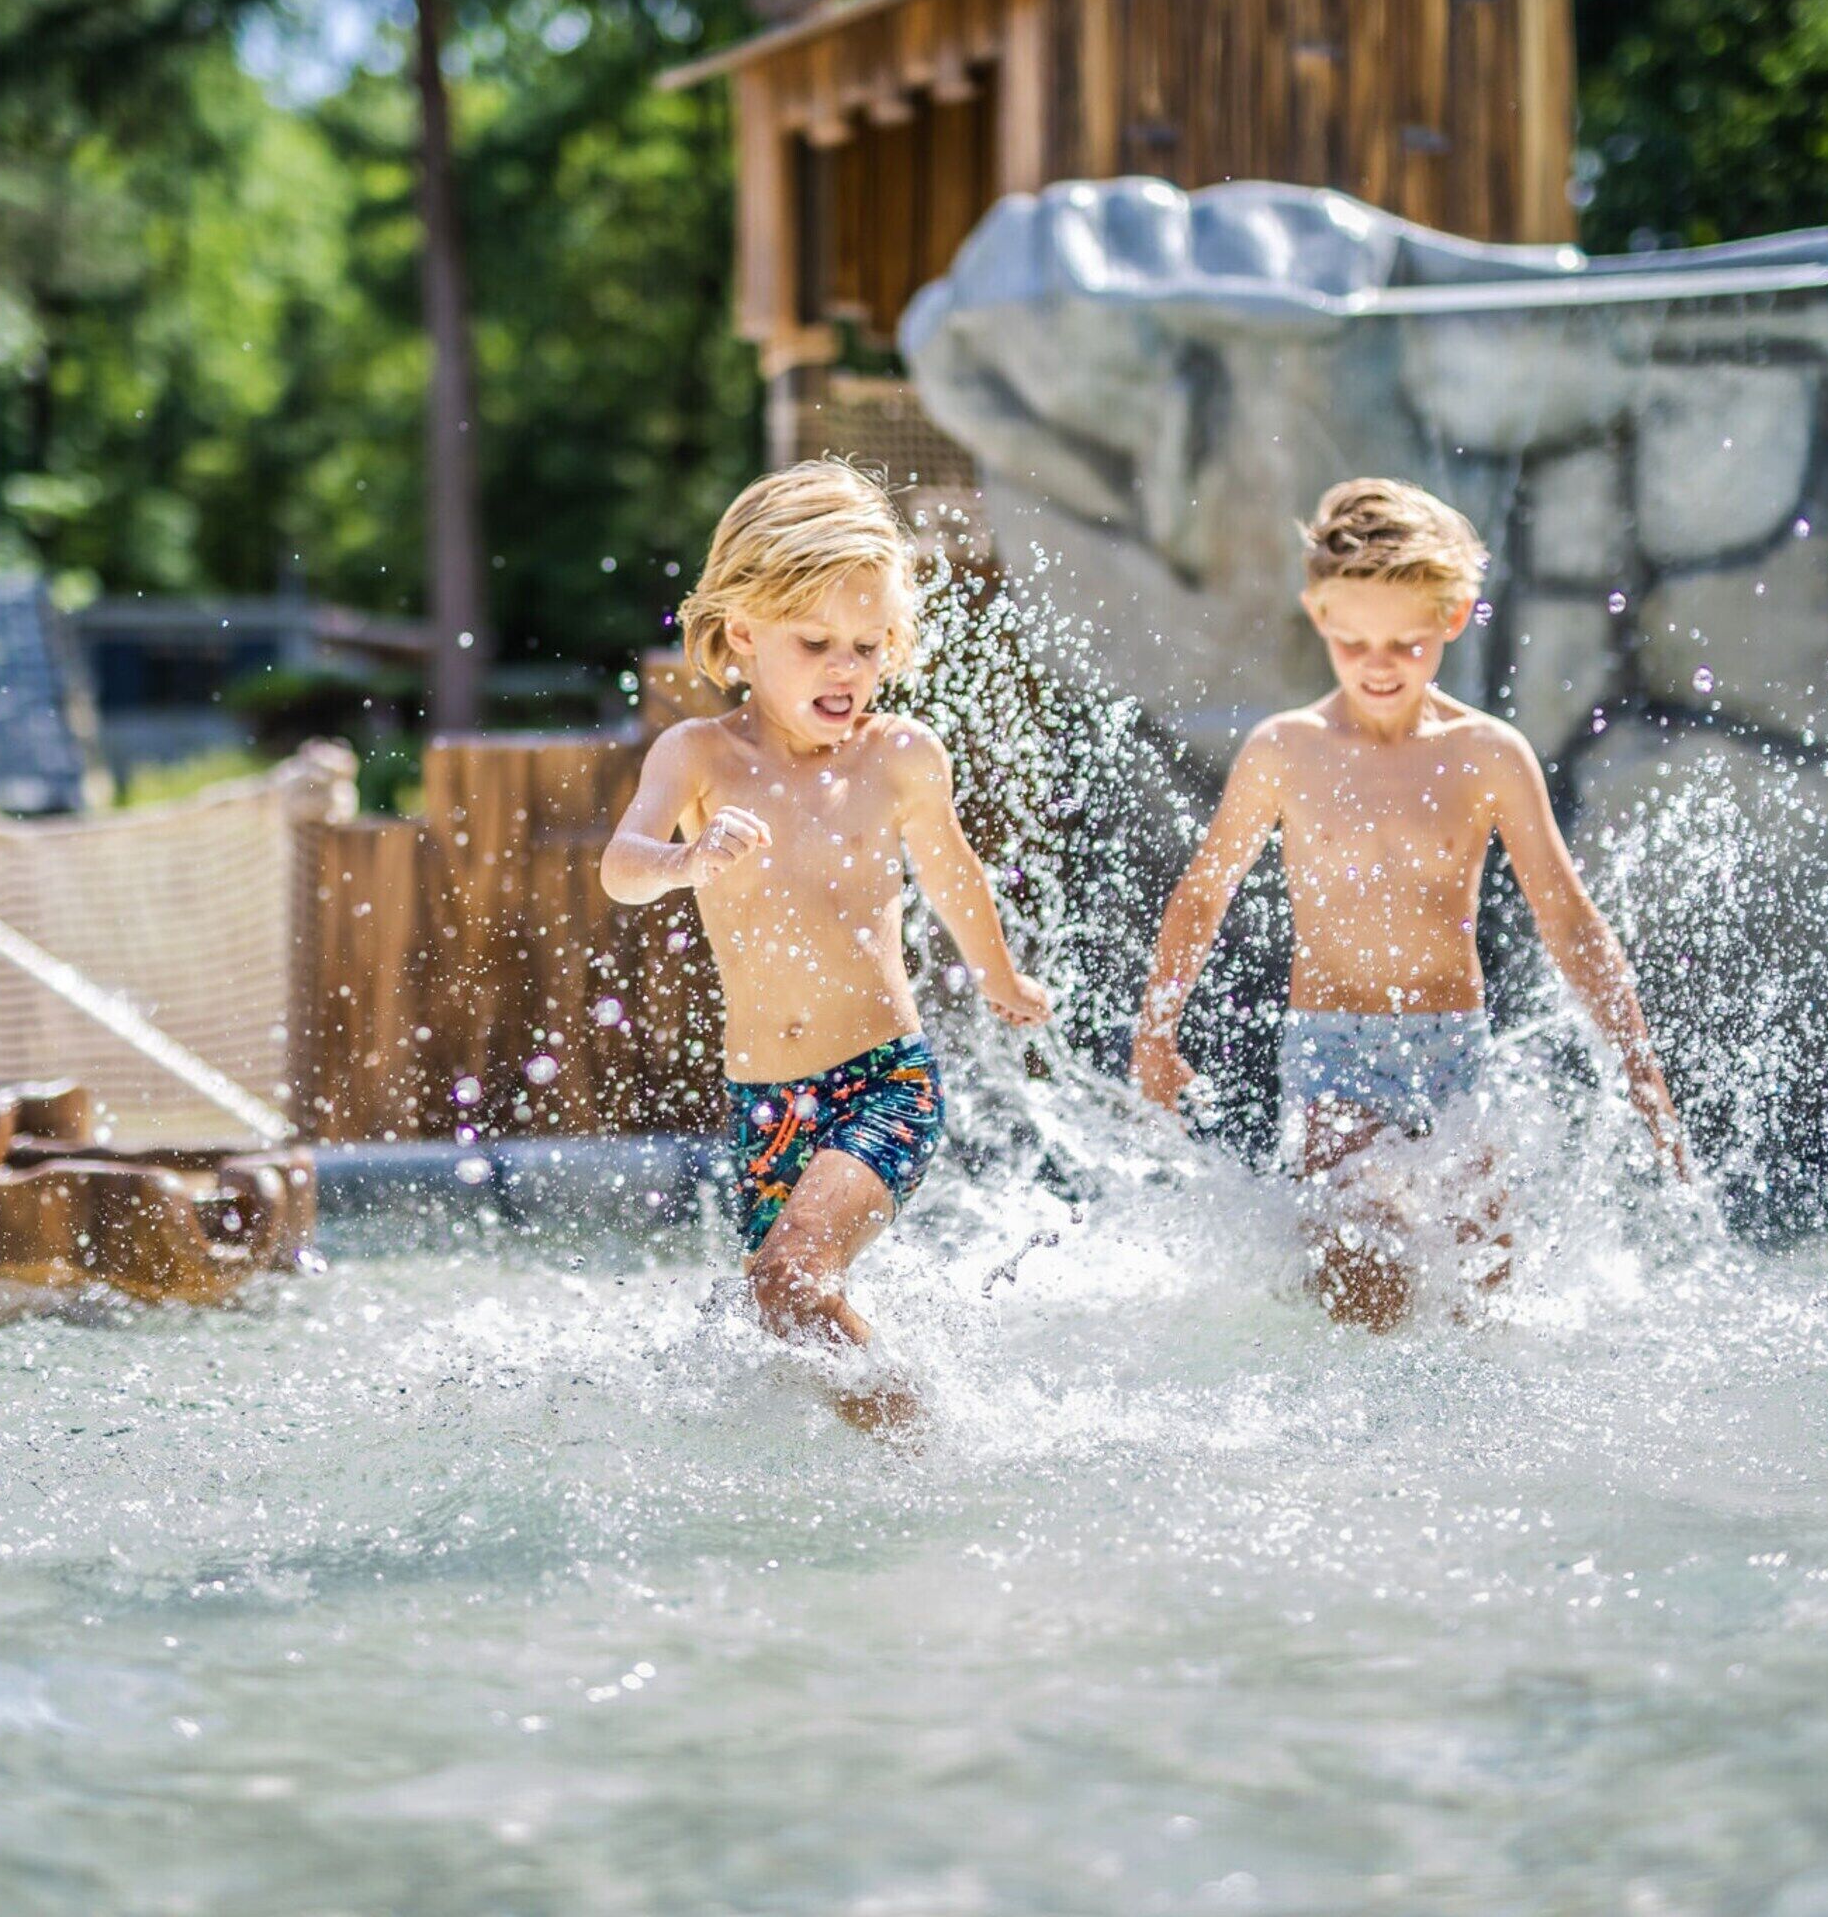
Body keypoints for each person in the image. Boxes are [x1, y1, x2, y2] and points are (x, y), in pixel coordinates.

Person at [1131, 477, 1688, 1325]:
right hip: (1332, 1050)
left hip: (1454, 1049)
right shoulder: (1287, 750)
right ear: (1319, 615)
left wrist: (1638, 1064)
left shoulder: (1488, 754)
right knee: (1362, 1281)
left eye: (1404, 644)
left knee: (1490, 1295)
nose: (1378, 665)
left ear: (1452, 620)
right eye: (1354, 643)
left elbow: (1568, 917)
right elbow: (1202, 896)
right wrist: (1156, 1032)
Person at [601, 460, 1051, 1417]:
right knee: (788, 1307)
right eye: (818, 643)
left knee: (794, 1276)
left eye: (868, 642)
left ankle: (953, 1445)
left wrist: (1000, 977)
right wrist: (683, 863)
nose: (848, 667)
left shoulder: (900, 758)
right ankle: (910, 1468)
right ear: (742, 636)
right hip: (767, 1106)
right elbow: (622, 866)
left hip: (886, 1081)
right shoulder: (698, 757)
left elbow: (955, 876)